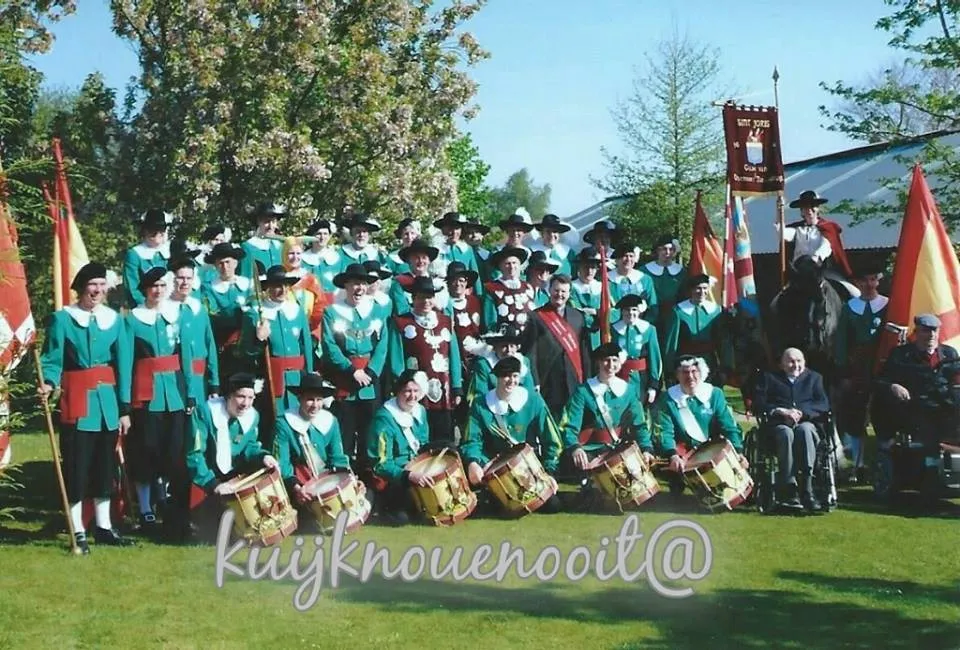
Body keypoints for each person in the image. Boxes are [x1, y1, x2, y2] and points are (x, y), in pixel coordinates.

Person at [39, 262, 135, 553]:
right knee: (77, 467)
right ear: (81, 288)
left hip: (106, 403)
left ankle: (104, 527)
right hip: (77, 401)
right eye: (92, 285)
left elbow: (124, 365)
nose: (98, 291)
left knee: (104, 468)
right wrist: (48, 383)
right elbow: (52, 359)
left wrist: (124, 408)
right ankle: (77, 529)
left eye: (102, 285)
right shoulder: (63, 319)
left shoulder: (115, 320)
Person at [124, 267, 196, 535]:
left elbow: (185, 356)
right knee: (146, 450)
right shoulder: (132, 319)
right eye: (152, 286)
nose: (157, 291)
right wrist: (126, 402)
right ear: (144, 290)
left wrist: (189, 391)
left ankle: (168, 503)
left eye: (161, 286)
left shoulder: (177, 315)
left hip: (174, 394)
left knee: (174, 451)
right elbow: (126, 361)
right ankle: (145, 508)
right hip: (146, 394)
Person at [460, 356, 563, 514]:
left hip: (529, 468)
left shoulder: (534, 401)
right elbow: (471, 440)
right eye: (506, 376)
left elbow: (552, 440)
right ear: (497, 378)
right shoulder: (480, 404)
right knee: (499, 509)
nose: (511, 380)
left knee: (553, 505)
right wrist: (474, 462)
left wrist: (549, 472)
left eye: (515, 376)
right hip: (494, 471)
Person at [185, 373, 279, 535]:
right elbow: (195, 454)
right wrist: (213, 485)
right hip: (205, 479)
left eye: (251, 398)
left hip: (232, 477)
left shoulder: (253, 416)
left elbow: (249, 447)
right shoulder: (205, 412)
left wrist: (263, 456)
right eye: (241, 397)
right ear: (228, 396)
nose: (246, 404)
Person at [320, 263, 391, 471]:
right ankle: (345, 472)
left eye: (362, 283)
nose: (359, 288)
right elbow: (329, 346)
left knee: (370, 429)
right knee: (346, 430)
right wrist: (352, 370)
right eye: (354, 284)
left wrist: (370, 371)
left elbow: (383, 345)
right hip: (345, 379)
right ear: (346, 286)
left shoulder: (376, 311)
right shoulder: (332, 313)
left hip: (369, 380)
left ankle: (369, 472)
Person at [559, 343, 654, 480]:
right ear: (598, 362)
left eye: (615, 360)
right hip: (591, 449)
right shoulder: (583, 391)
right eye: (606, 360)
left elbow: (639, 424)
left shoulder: (628, 390)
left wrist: (646, 448)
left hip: (619, 448)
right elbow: (569, 425)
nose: (610, 365)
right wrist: (575, 448)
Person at [753, 348, 831, 511]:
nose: (795, 365)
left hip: (807, 423)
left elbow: (823, 404)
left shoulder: (815, 378)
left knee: (805, 430)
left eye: (799, 361)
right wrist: (781, 411)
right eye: (791, 361)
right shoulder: (769, 378)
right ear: (781, 364)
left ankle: (807, 487)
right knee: (785, 433)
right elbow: (759, 403)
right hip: (778, 426)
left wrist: (802, 413)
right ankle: (788, 486)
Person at [873, 314, 960, 459]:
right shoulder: (901, 354)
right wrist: (894, 386)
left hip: (945, 405)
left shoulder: (949, 353)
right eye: (926, 331)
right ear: (917, 332)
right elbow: (881, 381)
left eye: (935, 331)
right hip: (914, 405)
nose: (931, 335)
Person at [388, 276, 463, 444]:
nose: (426, 301)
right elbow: (396, 359)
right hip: (416, 391)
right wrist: (402, 387)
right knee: (420, 438)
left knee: (445, 439)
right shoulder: (401, 322)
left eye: (429, 297)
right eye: (421, 297)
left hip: (444, 391)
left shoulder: (445, 321)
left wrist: (457, 387)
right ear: (413, 298)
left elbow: (454, 356)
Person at [656, 355, 746, 492]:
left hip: (712, 448)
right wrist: (672, 454)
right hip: (682, 451)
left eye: (694, 371)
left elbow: (728, 426)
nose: (690, 376)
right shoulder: (667, 398)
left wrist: (738, 452)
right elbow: (665, 431)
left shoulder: (715, 394)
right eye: (685, 372)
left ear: (701, 372)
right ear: (677, 375)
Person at [835, 263, 888, 482]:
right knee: (856, 417)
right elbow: (841, 342)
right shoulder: (850, 308)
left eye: (873, 279)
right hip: (857, 369)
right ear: (857, 283)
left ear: (878, 280)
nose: (869, 284)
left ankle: (885, 465)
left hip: (883, 368)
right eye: (864, 280)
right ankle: (858, 465)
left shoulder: (887, 305)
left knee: (884, 416)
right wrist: (844, 373)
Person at [240, 265, 314, 416]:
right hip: (271, 378)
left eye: (286, 285)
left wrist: (309, 376)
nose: (283, 290)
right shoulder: (256, 314)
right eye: (277, 286)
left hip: (297, 378)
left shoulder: (297, 311)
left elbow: (305, 346)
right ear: (268, 288)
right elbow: (245, 352)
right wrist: (259, 339)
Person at [366, 370, 432, 525]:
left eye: (416, 391)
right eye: (407, 391)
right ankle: (382, 506)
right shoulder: (384, 419)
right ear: (398, 392)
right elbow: (381, 463)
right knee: (402, 519)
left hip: (418, 469)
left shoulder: (420, 411)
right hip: (396, 477)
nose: (412, 396)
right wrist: (407, 475)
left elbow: (424, 443)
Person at [522, 274, 593, 421]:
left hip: (574, 376)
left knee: (574, 418)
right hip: (548, 378)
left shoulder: (578, 316)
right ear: (549, 290)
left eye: (563, 292)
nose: (559, 295)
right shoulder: (537, 316)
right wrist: (534, 380)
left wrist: (588, 377)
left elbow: (584, 351)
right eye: (556, 290)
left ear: (569, 294)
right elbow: (531, 352)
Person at [272, 372, 350, 503]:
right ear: (299, 399)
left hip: (326, 481)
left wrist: (348, 480)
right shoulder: (284, 423)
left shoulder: (331, 421)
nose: (315, 405)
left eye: (319, 400)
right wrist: (296, 488)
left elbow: (338, 456)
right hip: (296, 485)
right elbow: (282, 463)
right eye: (310, 399)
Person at [781, 190, 857, 293]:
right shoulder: (796, 228)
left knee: (854, 293)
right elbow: (783, 234)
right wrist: (779, 212)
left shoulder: (828, 227)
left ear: (818, 208)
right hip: (799, 272)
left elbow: (826, 245)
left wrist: (816, 257)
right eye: (805, 207)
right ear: (801, 211)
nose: (809, 210)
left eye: (813, 206)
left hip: (822, 270)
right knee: (777, 302)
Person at [168, 256, 220, 405]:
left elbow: (210, 345)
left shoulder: (199, 309)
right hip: (174, 379)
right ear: (172, 280)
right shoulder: (165, 309)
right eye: (180, 278)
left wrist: (214, 381)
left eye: (189, 278)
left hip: (200, 380)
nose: (185, 282)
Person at [663, 273, 725, 381]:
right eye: (698, 288)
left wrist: (725, 366)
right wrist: (669, 368)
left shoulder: (716, 311)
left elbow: (723, 341)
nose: (702, 292)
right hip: (685, 362)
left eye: (705, 288)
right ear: (691, 290)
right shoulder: (678, 312)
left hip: (710, 362)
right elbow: (671, 343)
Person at [611, 293, 662, 406]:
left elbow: (655, 358)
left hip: (641, 378)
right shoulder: (612, 330)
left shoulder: (649, 330)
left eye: (634, 309)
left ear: (639, 311)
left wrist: (653, 385)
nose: (631, 313)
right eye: (627, 310)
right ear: (622, 311)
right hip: (618, 375)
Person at [122, 208, 174, 307]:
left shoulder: (170, 252)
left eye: (161, 228)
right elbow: (132, 289)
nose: (157, 232)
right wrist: (149, 306)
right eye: (152, 229)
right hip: (145, 307)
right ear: (144, 231)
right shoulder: (134, 254)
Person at [481, 246, 536, 331]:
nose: (511, 267)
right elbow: (490, 321)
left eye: (514, 263)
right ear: (500, 266)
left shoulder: (528, 287)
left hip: (528, 339)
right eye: (507, 263)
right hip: (505, 340)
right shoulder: (492, 289)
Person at [644, 234, 686, 342]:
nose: (667, 253)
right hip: (650, 316)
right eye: (664, 249)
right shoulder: (644, 271)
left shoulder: (682, 272)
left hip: (674, 316)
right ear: (657, 250)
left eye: (671, 249)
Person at [434, 211, 483, 294]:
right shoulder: (436, 250)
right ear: (443, 230)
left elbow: (476, 277)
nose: (454, 232)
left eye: (457, 228)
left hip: (465, 295)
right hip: (442, 294)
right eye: (450, 228)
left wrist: (479, 296)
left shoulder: (467, 250)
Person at [240, 202, 285, 278]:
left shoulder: (281, 246)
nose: (271, 226)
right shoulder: (248, 247)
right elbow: (245, 276)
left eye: (273, 222)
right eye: (267, 222)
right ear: (258, 222)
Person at [301, 218, 342, 294]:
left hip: (332, 300)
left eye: (325, 234)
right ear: (312, 236)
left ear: (329, 236)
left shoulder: (336, 258)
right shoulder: (302, 259)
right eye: (319, 234)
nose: (322, 237)